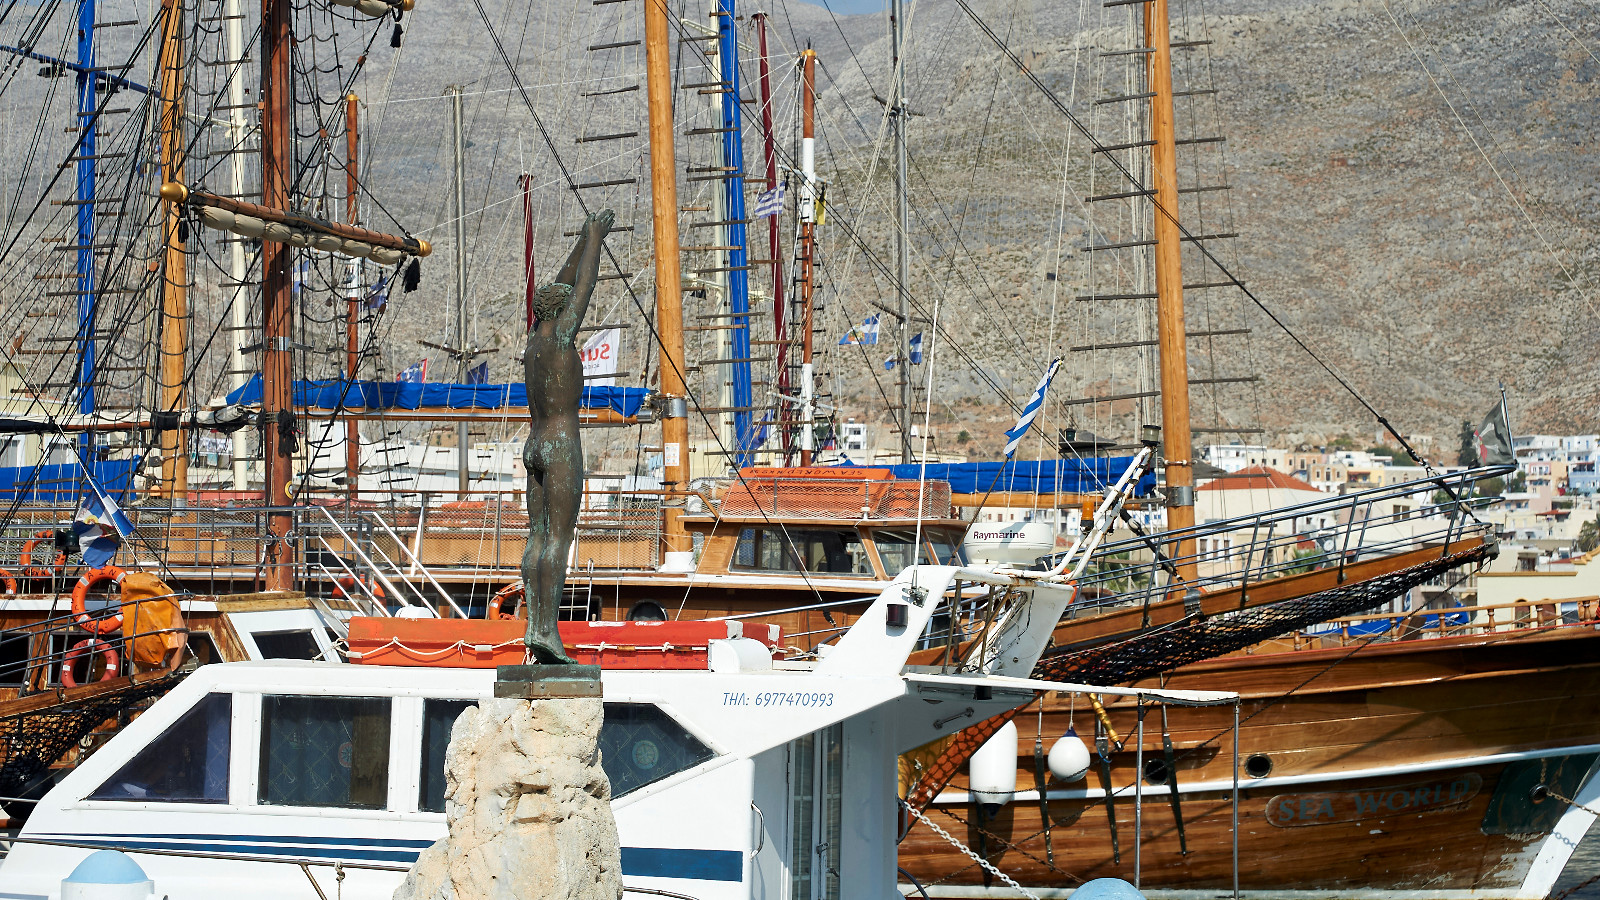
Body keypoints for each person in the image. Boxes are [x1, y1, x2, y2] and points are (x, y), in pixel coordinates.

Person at [520, 208, 613, 664]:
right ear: (561, 311)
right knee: (558, 538)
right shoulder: (559, 339)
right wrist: (595, 239)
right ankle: (547, 630)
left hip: (533, 444)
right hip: (560, 446)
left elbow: (560, 285)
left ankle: (534, 627)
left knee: (536, 538)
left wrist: (579, 240)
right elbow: (583, 287)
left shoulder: (533, 343)